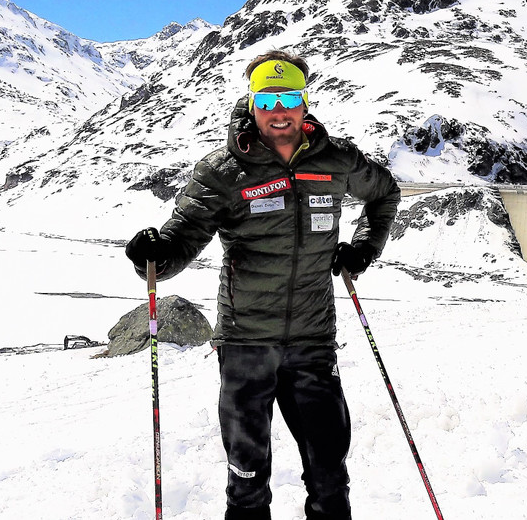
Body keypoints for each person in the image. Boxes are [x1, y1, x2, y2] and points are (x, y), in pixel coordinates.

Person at [124, 50, 400, 520]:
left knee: (330, 476)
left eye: (289, 98)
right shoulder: (223, 170)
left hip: (313, 342)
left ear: (304, 102)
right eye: (267, 100)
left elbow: (385, 193)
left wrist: (364, 248)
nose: (279, 111)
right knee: (248, 480)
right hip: (246, 344)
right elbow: (180, 240)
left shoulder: (337, 160)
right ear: (252, 104)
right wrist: (154, 254)